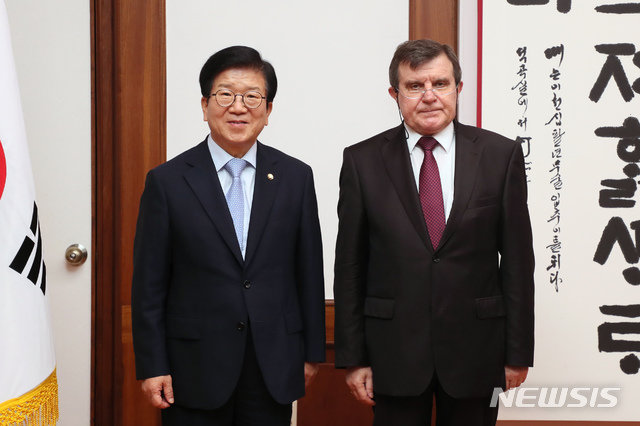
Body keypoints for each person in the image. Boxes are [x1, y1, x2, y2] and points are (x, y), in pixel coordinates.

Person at [334, 39, 535, 426]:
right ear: (394, 94)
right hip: (393, 354)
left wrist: (517, 353)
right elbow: (350, 267)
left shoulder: (499, 155)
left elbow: (517, 262)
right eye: (414, 86)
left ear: (458, 88)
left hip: (477, 352)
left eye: (440, 84)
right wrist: (353, 358)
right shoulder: (362, 161)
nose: (429, 96)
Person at [131, 45, 325, 426]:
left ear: (268, 111)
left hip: (272, 364)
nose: (239, 108)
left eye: (252, 97)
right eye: (225, 95)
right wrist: (152, 365)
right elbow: (149, 285)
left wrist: (311, 352)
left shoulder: (296, 177)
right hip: (192, 368)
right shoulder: (167, 182)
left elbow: (308, 270)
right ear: (205, 106)